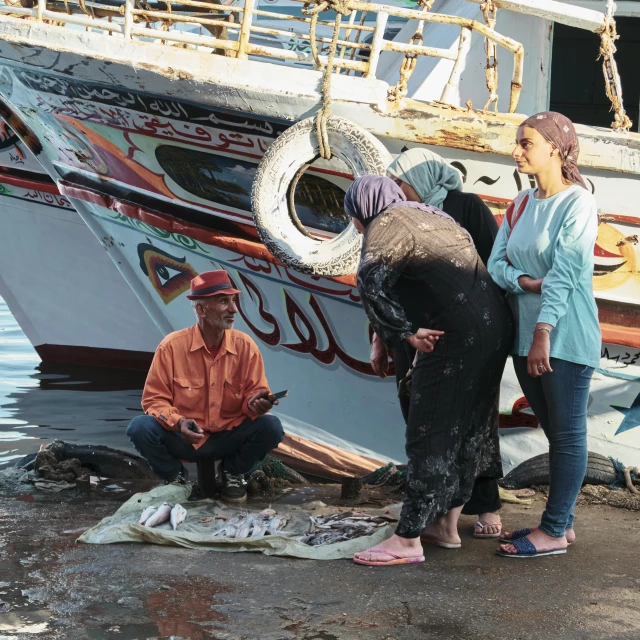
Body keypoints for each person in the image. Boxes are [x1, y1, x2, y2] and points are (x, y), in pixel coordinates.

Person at [347, 176, 513, 566]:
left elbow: (369, 281)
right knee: (470, 428)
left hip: (453, 335)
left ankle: (407, 540)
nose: (355, 227)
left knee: (431, 428)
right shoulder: (434, 216)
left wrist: (402, 333)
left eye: (353, 218)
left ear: (363, 208)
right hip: (495, 327)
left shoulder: (386, 222)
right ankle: (445, 526)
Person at [487, 112, 600, 558]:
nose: (516, 151)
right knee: (556, 434)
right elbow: (496, 265)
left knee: (569, 436)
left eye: (526, 143)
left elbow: (567, 273)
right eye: (517, 142)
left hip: (562, 337)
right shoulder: (520, 204)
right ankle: (562, 525)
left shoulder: (578, 203)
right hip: (527, 336)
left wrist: (543, 331)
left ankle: (553, 531)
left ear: (555, 147)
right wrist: (524, 283)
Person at [126, 270, 285, 503]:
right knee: (140, 427)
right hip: (185, 439)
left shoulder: (246, 346)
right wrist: (179, 423)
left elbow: (254, 395)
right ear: (201, 309)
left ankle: (233, 472)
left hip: (228, 438)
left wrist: (258, 404)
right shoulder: (171, 346)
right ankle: (174, 477)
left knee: (271, 426)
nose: (233, 309)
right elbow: (153, 401)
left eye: (233, 301)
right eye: (224, 301)